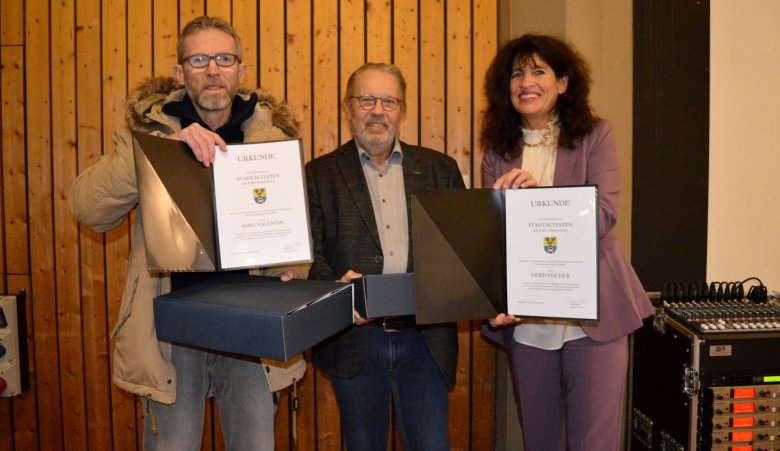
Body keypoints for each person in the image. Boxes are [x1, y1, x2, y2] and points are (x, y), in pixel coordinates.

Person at [68, 16, 305, 450]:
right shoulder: (147, 134)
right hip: (171, 333)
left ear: (241, 70)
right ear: (180, 73)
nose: (213, 69)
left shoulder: (272, 139)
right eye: (199, 59)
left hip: (251, 331)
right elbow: (87, 208)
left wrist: (287, 276)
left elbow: (290, 235)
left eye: (224, 58)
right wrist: (159, 150)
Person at [480, 34, 654, 450]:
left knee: (595, 441)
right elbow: (492, 240)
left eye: (539, 71)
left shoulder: (596, 135)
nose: (527, 82)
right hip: (529, 323)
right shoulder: (497, 152)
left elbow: (603, 215)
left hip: (594, 317)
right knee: (540, 440)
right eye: (517, 73)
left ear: (563, 82)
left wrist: (539, 201)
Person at [306, 63, 464, 450]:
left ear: (401, 110)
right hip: (357, 342)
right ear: (348, 108)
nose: (377, 110)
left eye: (388, 101)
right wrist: (338, 294)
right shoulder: (318, 174)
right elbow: (311, 255)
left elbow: (462, 252)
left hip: (425, 342)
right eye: (366, 99)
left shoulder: (441, 170)